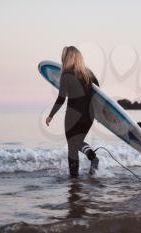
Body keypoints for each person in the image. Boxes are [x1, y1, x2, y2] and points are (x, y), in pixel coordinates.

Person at [46, 46, 99, 178]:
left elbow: (61, 98)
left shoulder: (66, 75)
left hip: (74, 114)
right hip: (89, 115)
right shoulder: (89, 74)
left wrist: (51, 115)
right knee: (78, 141)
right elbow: (98, 94)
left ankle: (74, 178)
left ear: (67, 58)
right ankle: (92, 156)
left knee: (72, 146)